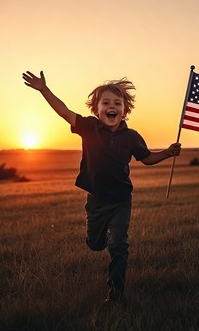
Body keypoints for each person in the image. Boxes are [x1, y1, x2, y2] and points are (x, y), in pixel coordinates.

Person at [22, 70, 181, 305]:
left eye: (117, 103)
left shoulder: (132, 137)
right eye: (105, 102)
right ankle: (100, 236)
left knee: (119, 245)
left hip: (121, 200)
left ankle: (116, 295)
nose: (111, 106)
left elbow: (146, 158)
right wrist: (44, 89)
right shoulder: (88, 127)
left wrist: (168, 152)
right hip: (96, 201)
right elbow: (64, 111)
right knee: (96, 245)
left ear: (125, 110)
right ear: (96, 109)